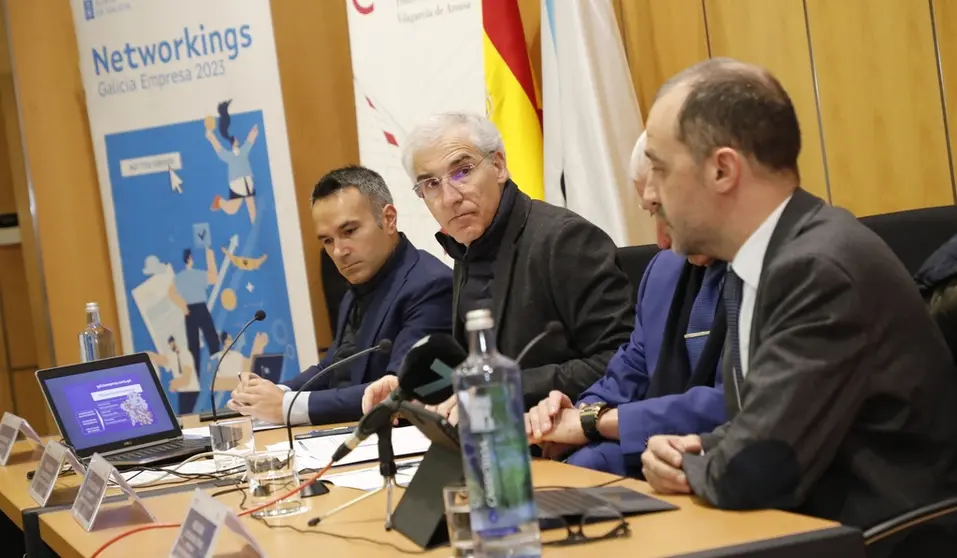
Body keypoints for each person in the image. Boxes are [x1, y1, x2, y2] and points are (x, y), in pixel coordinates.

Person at [637, 58, 957, 555]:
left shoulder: (818, 267)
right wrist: (702, 446)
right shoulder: (764, 259)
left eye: (658, 168)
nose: (650, 195)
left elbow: (758, 470)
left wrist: (687, 466)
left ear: (722, 169)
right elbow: (765, 425)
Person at [361, 112, 634, 415]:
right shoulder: (467, 249)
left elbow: (621, 359)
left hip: (568, 438)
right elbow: (475, 369)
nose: (449, 197)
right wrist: (412, 389)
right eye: (432, 184)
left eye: (462, 171)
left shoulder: (564, 240)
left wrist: (503, 388)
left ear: (499, 165)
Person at [525, 131, 727, 476]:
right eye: (651, 212)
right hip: (659, 461)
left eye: (664, 209)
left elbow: (739, 404)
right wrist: (577, 415)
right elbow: (628, 372)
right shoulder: (664, 269)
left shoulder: (775, 269)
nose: (661, 240)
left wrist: (596, 423)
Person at [227, 165, 453, 425]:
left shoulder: (430, 286)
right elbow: (334, 366)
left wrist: (287, 406)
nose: (338, 252)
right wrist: (274, 392)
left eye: (349, 232)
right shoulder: (359, 285)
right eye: (327, 241)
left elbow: (396, 391)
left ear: (389, 219)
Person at [168, 246, 221, 382]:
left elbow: (171, 293)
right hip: (199, 308)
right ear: (190, 259)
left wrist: (182, 306)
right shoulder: (196, 274)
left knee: (194, 344)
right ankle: (217, 370)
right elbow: (214, 278)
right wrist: (210, 256)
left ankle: (196, 376)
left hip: (189, 310)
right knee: (211, 339)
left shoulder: (179, 278)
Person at [207, 100, 259, 224]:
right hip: (237, 183)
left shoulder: (243, 151)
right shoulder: (229, 156)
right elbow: (219, 150)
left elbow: (250, 141)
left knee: (251, 207)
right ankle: (219, 201)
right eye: (235, 140)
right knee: (233, 209)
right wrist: (211, 136)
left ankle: (257, 231)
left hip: (247, 181)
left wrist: (254, 132)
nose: (237, 141)